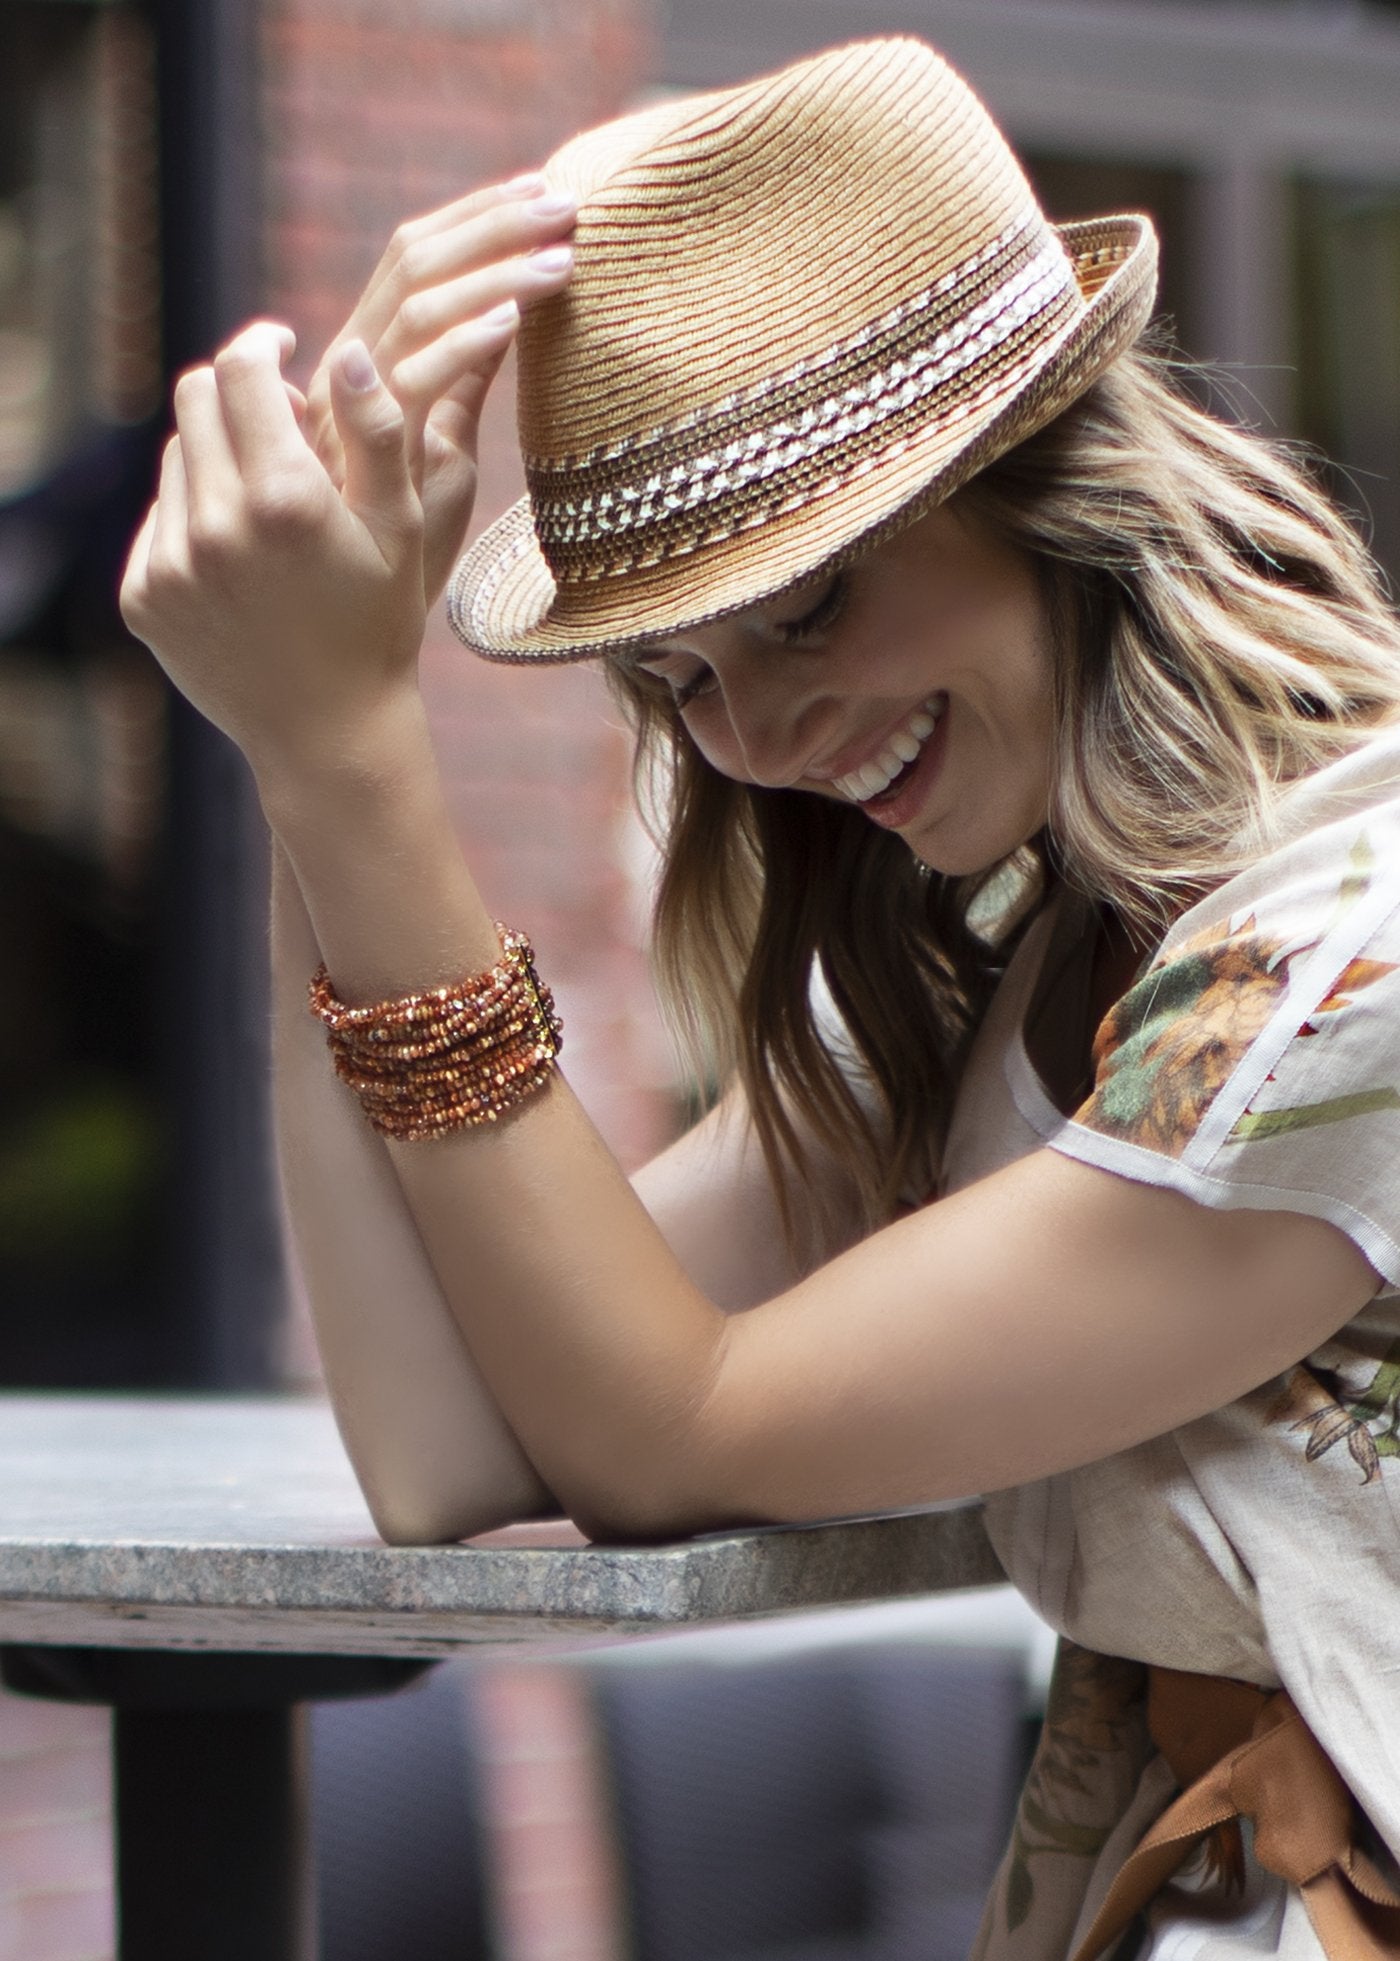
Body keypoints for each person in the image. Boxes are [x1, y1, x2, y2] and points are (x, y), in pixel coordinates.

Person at [118, 35, 1400, 1961]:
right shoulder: (1020, 967)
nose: (763, 733)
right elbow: (452, 1444)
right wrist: (312, 754)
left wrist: (348, 741)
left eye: (809, 607)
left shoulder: (1344, 959)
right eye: (678, 679)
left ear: (1041, 483)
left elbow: (668, 1423)